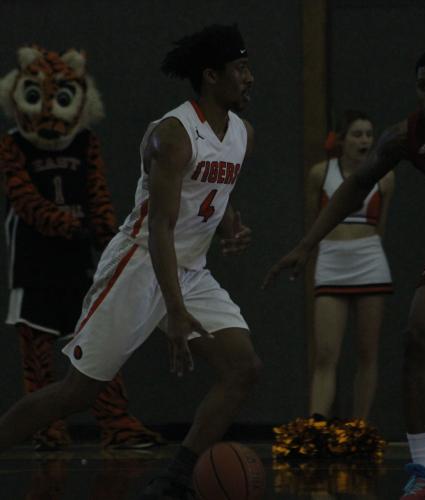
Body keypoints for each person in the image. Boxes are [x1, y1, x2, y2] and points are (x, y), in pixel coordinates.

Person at [0, 23, 260, 500]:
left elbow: (209, 195)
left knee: (242, 368)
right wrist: (176, 311)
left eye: (248, 68)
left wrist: (229, 227)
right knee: (77, 393)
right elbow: (159, 226)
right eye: (240, 69)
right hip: (139, 265)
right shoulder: (173, 135)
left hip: (190, 269)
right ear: (211, 75)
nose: (249, 78)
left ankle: (174, 481)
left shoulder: (242, 133)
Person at [264, 47, 425, 499]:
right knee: (416, 335)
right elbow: (355, 187)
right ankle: (424, 472)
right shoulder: (406, 136)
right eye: (422, 87)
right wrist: (306, 244)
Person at [0, 45, 163, 450]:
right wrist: (67, 223)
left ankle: (116, 423)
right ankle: (47, 430)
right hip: (32, 261)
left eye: (62, 98)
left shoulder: (85, 141)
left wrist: (109, 236)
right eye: (37, 97)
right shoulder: (13, 144)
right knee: (37, 352)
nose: (51, 110)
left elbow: (98, 193)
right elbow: (24, 199)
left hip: (78, 259)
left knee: (95, 342)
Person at [307, 111, 394, 421]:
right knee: (325, 355)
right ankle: (316, 428)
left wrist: (367, 249)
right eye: (357, 134)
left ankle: (359, 428)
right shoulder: (320, 173)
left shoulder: (385, 176)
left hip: (370, 260)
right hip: (331, 260)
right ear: (341, 139)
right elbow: (315, 221)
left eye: (369, 134)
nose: (365, 140)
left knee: (367, 353)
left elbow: (380, 227)